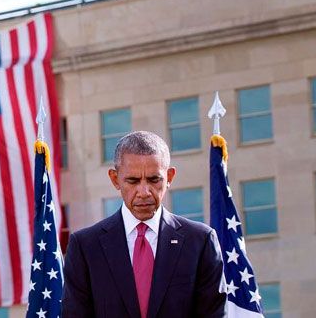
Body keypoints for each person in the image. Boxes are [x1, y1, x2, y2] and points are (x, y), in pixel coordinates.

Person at [61, 131, 225, 317]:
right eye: (133, 180)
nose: (144, 191)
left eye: (154, 180)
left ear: (169, 177)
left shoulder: (200, 241)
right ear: (115, 179)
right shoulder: (85, 247)